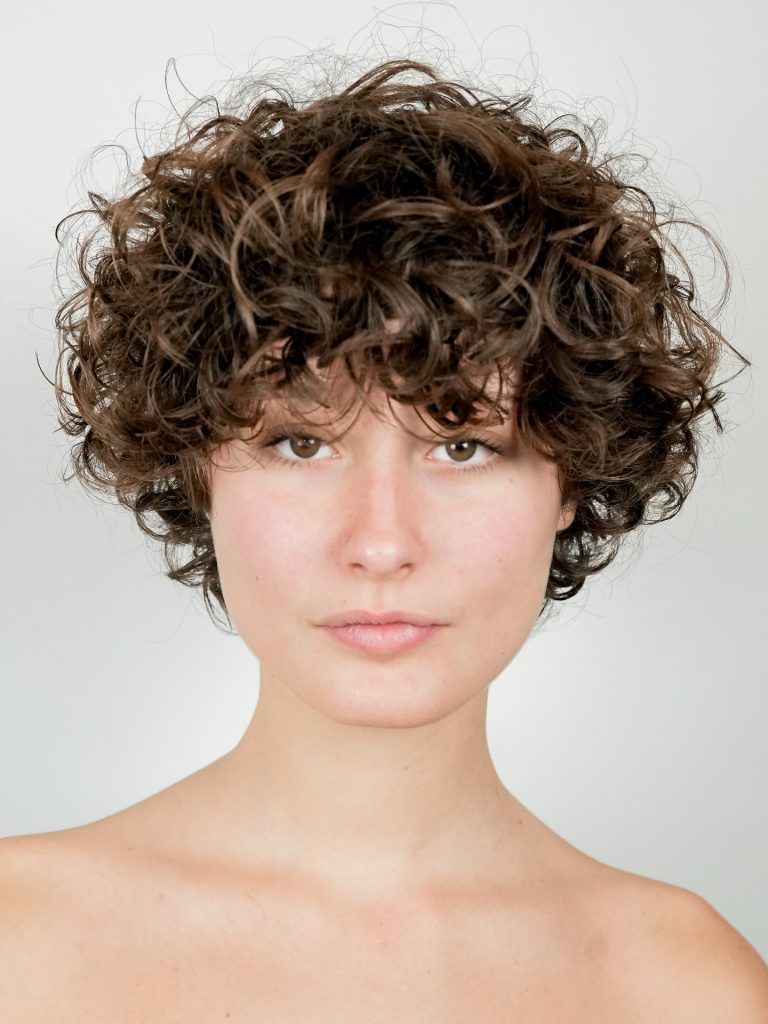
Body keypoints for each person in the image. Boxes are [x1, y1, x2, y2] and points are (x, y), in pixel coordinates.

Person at [1, 56, 766, 1019]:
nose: (381, 543)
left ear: (573, 475)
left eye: (462, 445)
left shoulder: (689, 989)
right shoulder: (19, 944)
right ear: (196, 465)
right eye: (301, 442)